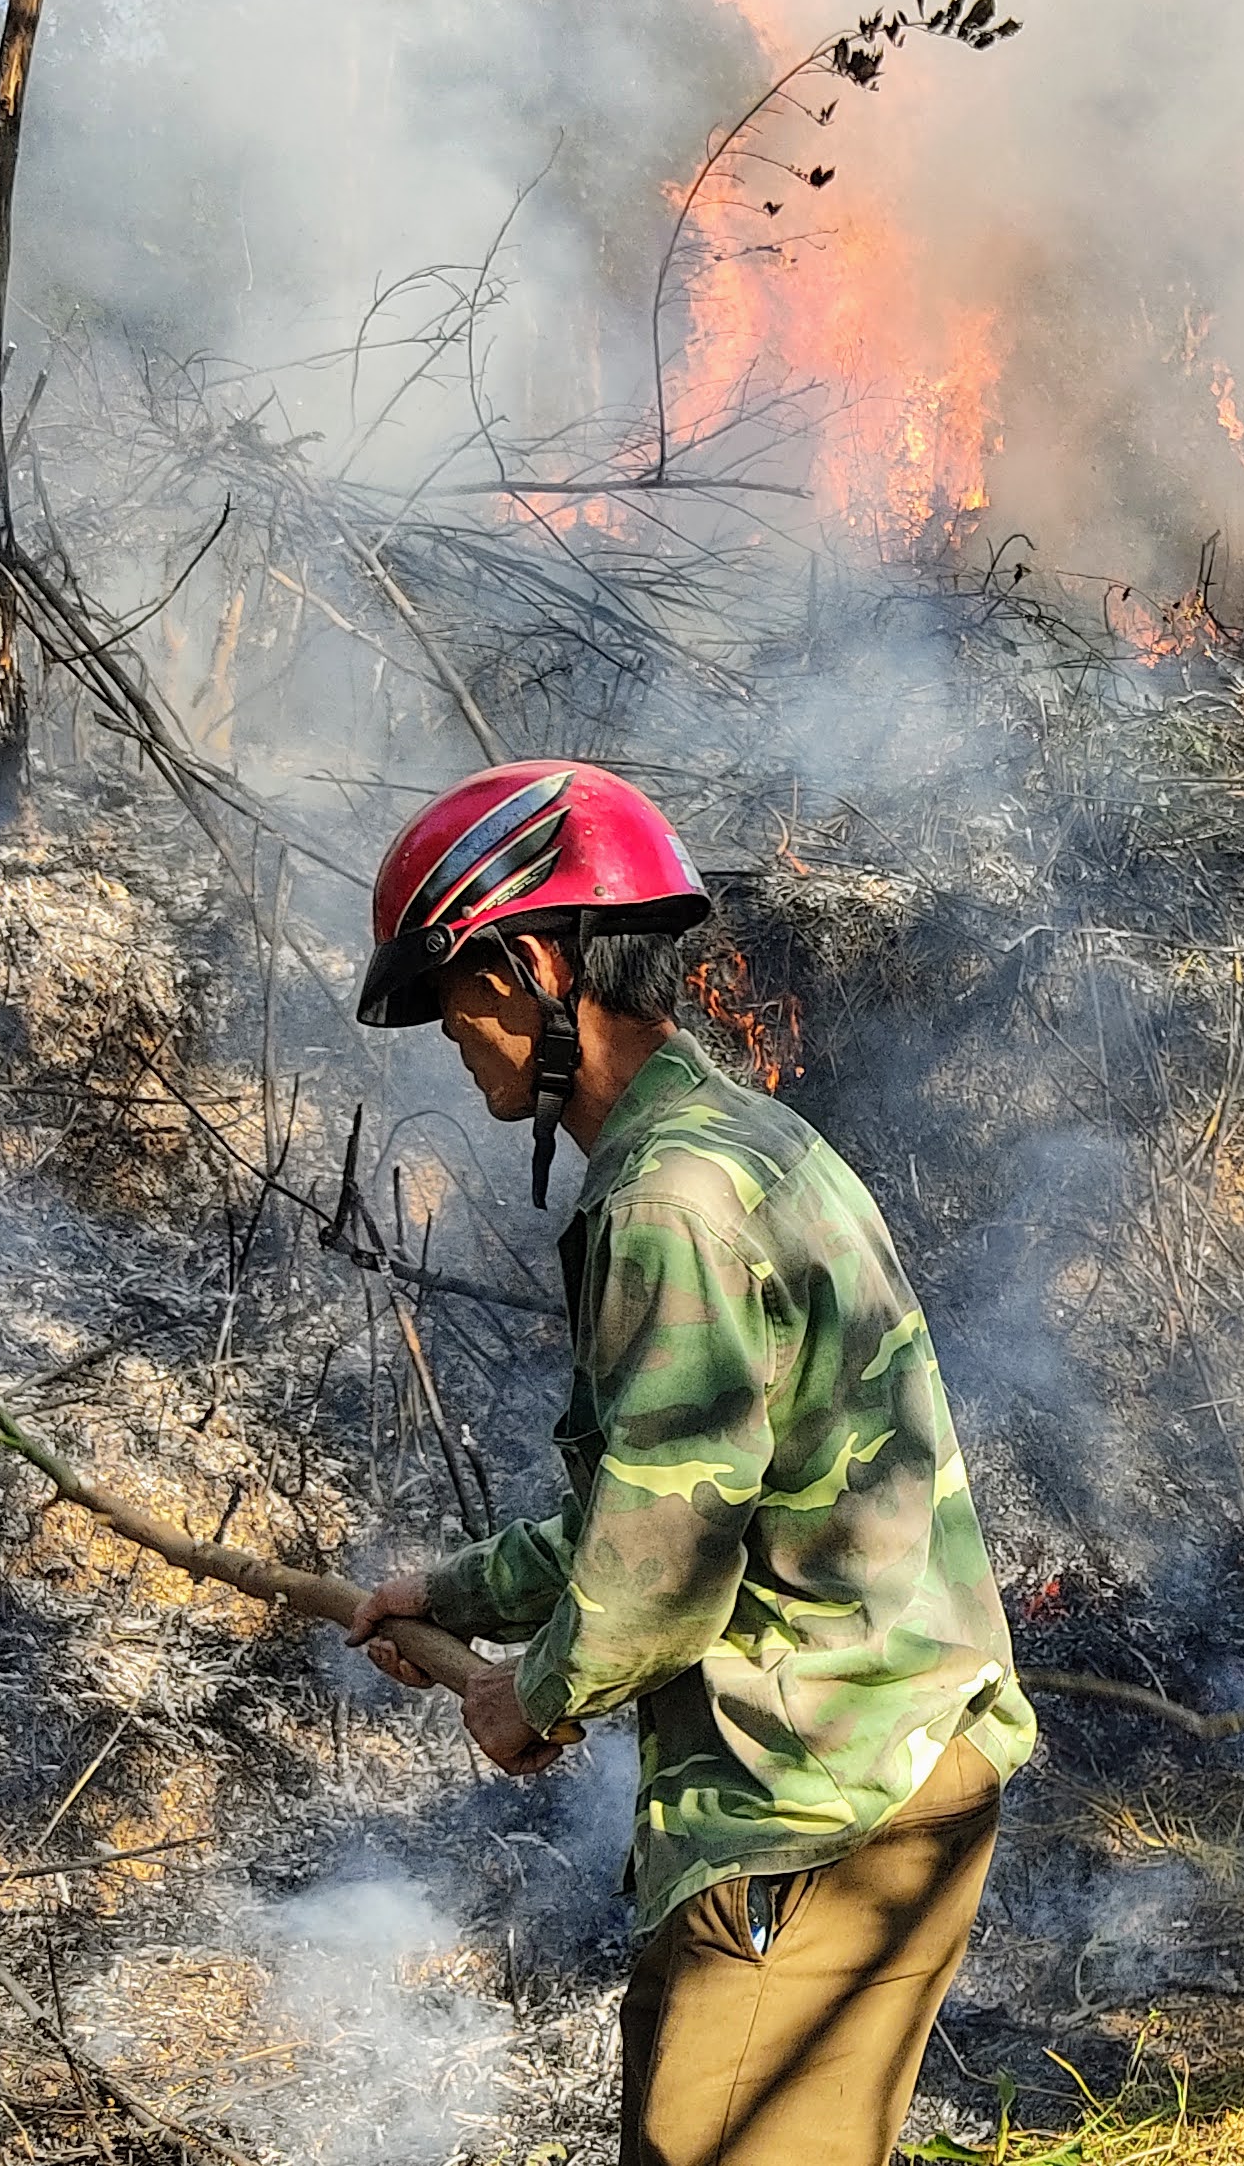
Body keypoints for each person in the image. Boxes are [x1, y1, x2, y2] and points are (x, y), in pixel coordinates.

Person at [337, 760, 1038, 2166]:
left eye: (455, 995)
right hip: (889, 1769)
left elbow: (655, 1577)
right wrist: (461, 1589)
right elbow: (655, 1496)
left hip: (814, 1813)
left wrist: (525, 1696)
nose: (450, 1038)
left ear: (533, 966)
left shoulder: (671, 1196)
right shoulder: (731, 1144)